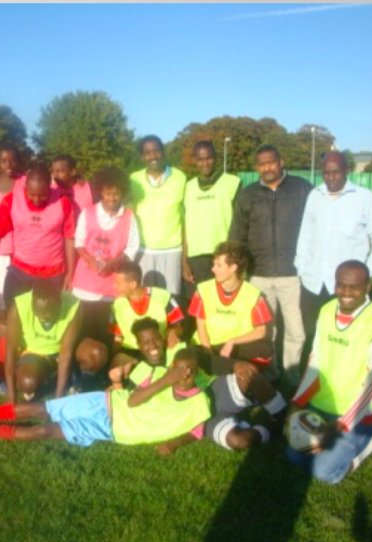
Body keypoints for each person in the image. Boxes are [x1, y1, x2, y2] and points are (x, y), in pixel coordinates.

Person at [0, 318, 210, 456]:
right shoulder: (158, 375)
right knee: (41, 409)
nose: (183, 375)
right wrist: (166, 378)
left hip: (111, 429)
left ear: (196, 374)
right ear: (172, 365)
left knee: (43, 431)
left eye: (189, 372)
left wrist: (174, 445)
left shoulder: (200, 400)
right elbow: (132, 400)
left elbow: (197, 431)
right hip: (104, 403)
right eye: (179, 368)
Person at [286, 260, 372, 484]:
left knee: (325, 473)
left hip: (363, 410)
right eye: (341, 285)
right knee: (295, 457)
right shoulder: (327, 309)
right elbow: (316, 359)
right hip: (325, 403)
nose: (346, 292)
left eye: (354, 286)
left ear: (368, 286)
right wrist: (297, 402)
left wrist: (340, 425)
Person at [229, 145, 312, 386]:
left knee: (296, 331)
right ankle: (271, 372)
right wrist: (240, 270)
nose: (267, 167)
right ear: (257, 167)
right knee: (266, 331)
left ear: (281, 161)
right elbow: (238, 235)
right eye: (262, 164)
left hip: (292, 274)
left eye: (271, 162)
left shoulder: (302, 189)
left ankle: (291, 375)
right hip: (259, 275)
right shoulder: (248, 195)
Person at [295, 151, 372, 336]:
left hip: (347, 287)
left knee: (344, 339)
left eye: (336, 172)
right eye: (326, 172)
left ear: (347, 170)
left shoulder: (365, 198)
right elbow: (305, 235)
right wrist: (301, 268)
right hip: (312, 284)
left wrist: (365, 274)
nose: (330, 178)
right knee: (311, 338)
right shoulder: (315, 195)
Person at [2, 279, 106, 402]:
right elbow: (10, 351)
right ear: (31, 301)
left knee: (97, 354)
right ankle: (58, 377)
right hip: (34, 352)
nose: (42, 317)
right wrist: (11, 394)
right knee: (28, 383)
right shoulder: (18, 306)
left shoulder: (73, 305)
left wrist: (59, 398)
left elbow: (66, 352)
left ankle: (77, 383)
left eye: (47, 314)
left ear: (60, 302)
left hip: (62, 348)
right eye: (37, 312)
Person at [0, 166, 76, 305]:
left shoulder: (63, 203)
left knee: (46, 318)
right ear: (25, 186)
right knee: (13, 312)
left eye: (42, 195)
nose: (36, 199)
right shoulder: (11, 200)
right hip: (20, 272)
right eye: (32, 194)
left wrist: (70, 273)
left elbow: (70, 239)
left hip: (52, 274)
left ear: (50, 187)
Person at [71, 166, 139, 344]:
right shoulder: (88, 212)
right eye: (108, 193)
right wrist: (90, 260)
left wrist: (113, 263)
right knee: (83, 333)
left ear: (122, 193)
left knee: (105, 334)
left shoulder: (129, 217)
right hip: (84, 285)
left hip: (111, 287)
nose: (112, 198)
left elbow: (132, 248)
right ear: (101, 191)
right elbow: (78, 243)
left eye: (116, 194)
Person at [188, 241, 275, 378]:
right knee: (190, 352)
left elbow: (261, 330)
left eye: (219, 265)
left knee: (266, 348)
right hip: (209, 346)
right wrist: (209, 353)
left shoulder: (253, 294)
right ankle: (228, 368)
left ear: (233, 268)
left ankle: (229, 369)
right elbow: (201, 325)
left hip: (233, 347)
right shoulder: (203, 290)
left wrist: (232, 341)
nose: (213, 269)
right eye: (214, 264)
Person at [182, 141, 242, 300]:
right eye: (200, 159)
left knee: (225, 301)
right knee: (199, 304)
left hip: (223, 255)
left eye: (209, 158)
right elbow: (184, 227)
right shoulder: (187, 187)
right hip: (196, 258)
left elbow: (241, 223)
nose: (205, 163)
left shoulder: (232, 183)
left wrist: (235, 256)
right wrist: (184, 261)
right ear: (194, 160)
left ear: (215, 158)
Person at [129, 135, 187, 294]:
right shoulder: (133, 179)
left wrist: (184, 259)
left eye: (156, 151)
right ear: (142, 157)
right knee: (145, 299)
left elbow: (185, 219)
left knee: (171, 300)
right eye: (147, 153)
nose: (153, 156)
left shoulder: (180, 177)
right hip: (143, 251)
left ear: (163, 152)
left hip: (172, 251)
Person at [109, 262, 184, 369]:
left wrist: (172, 332)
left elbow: (179, 328)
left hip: (158, 347)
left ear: (133, 284)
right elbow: (118, 338)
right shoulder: (117, 305)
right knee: (116, 369)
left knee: (177, 345)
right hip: (131, 352)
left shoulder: (163, 297)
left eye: (118, 283)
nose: (114, 287)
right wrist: (111, 359)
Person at [0, 146, 25, 300]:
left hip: (22, 250)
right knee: (0, 296)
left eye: (12, 160)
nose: (9, 164)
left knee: (22, 297)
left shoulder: (25, 182)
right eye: (3, 161)